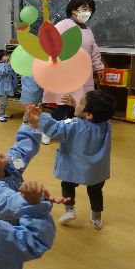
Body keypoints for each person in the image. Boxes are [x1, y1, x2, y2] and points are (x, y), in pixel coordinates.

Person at [29, 90, 116, 230]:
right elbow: (89, 119)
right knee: (95, 191)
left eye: (81, 102)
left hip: (74, 168)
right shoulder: (106, 125)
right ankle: (96, 216)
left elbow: (55, 129)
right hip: (96, 170)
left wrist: (40, 116)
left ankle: (69, 210)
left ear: (89, 114)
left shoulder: (73, 125)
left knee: (67, 185)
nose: (78, 103)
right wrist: (76, 106)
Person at [41, 0, 104, 145]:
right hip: (67, 73)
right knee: (65, 104)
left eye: (89, 9)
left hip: (84, 74)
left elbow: (94, 51)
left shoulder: (88, 30)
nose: (87, 12)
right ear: (73, 10)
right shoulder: (64, 25)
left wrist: (99, 67)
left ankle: (67, 131)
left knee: (76, 106)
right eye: (84, 8)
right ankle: (46, 130)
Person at [0, 50, 16, 122]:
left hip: (4, 89)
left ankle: (3, 113)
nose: (7, 56)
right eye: (5, 55)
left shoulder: (4, 65)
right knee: (2, 103)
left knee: (4, 102)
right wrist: (8, 64)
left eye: (7, 55)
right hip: (0, 89)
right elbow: (3, 71)